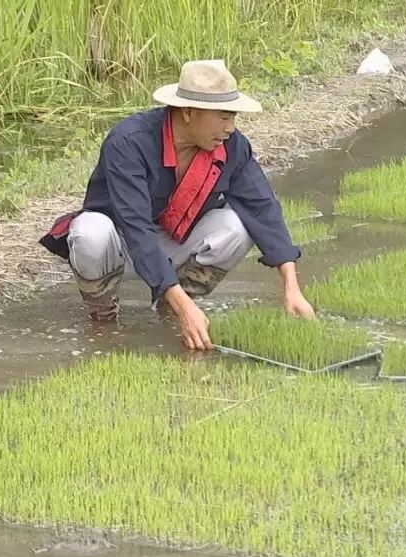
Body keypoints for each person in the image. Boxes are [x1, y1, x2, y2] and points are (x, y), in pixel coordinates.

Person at [40, 59, 315, 351]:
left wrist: (291, 287)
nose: (230, 128)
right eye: (223, 117)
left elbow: (262, 207)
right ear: (187, 112)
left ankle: (173, 304)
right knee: (89, 232)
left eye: (233, 117)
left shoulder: (232, 146)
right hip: (120, 246)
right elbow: (135, 227)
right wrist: (186, 308)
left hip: (174, 242)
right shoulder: (129, 142)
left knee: (238, 227)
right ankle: (104, 314)